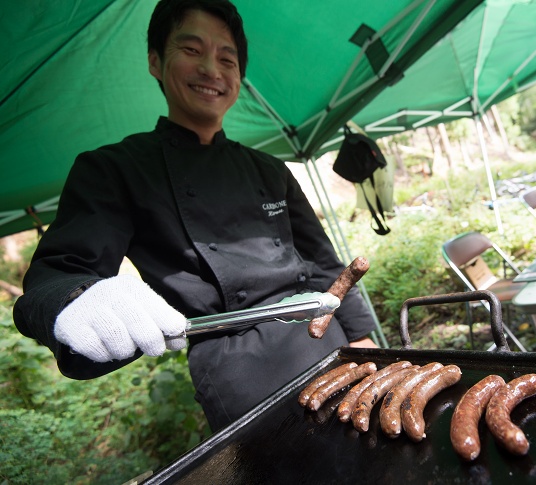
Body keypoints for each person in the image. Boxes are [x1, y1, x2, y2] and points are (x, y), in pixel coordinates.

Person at [12, 0, 377, 432]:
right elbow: (59, 273)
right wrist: (76, 299)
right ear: (155, 61)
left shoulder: (268, 168)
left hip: (325, 339)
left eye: (228, 58)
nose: (212, 69)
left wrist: (361, 336)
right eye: (191, 50)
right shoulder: (116, 169)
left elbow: (324, 263)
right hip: (239, 371)